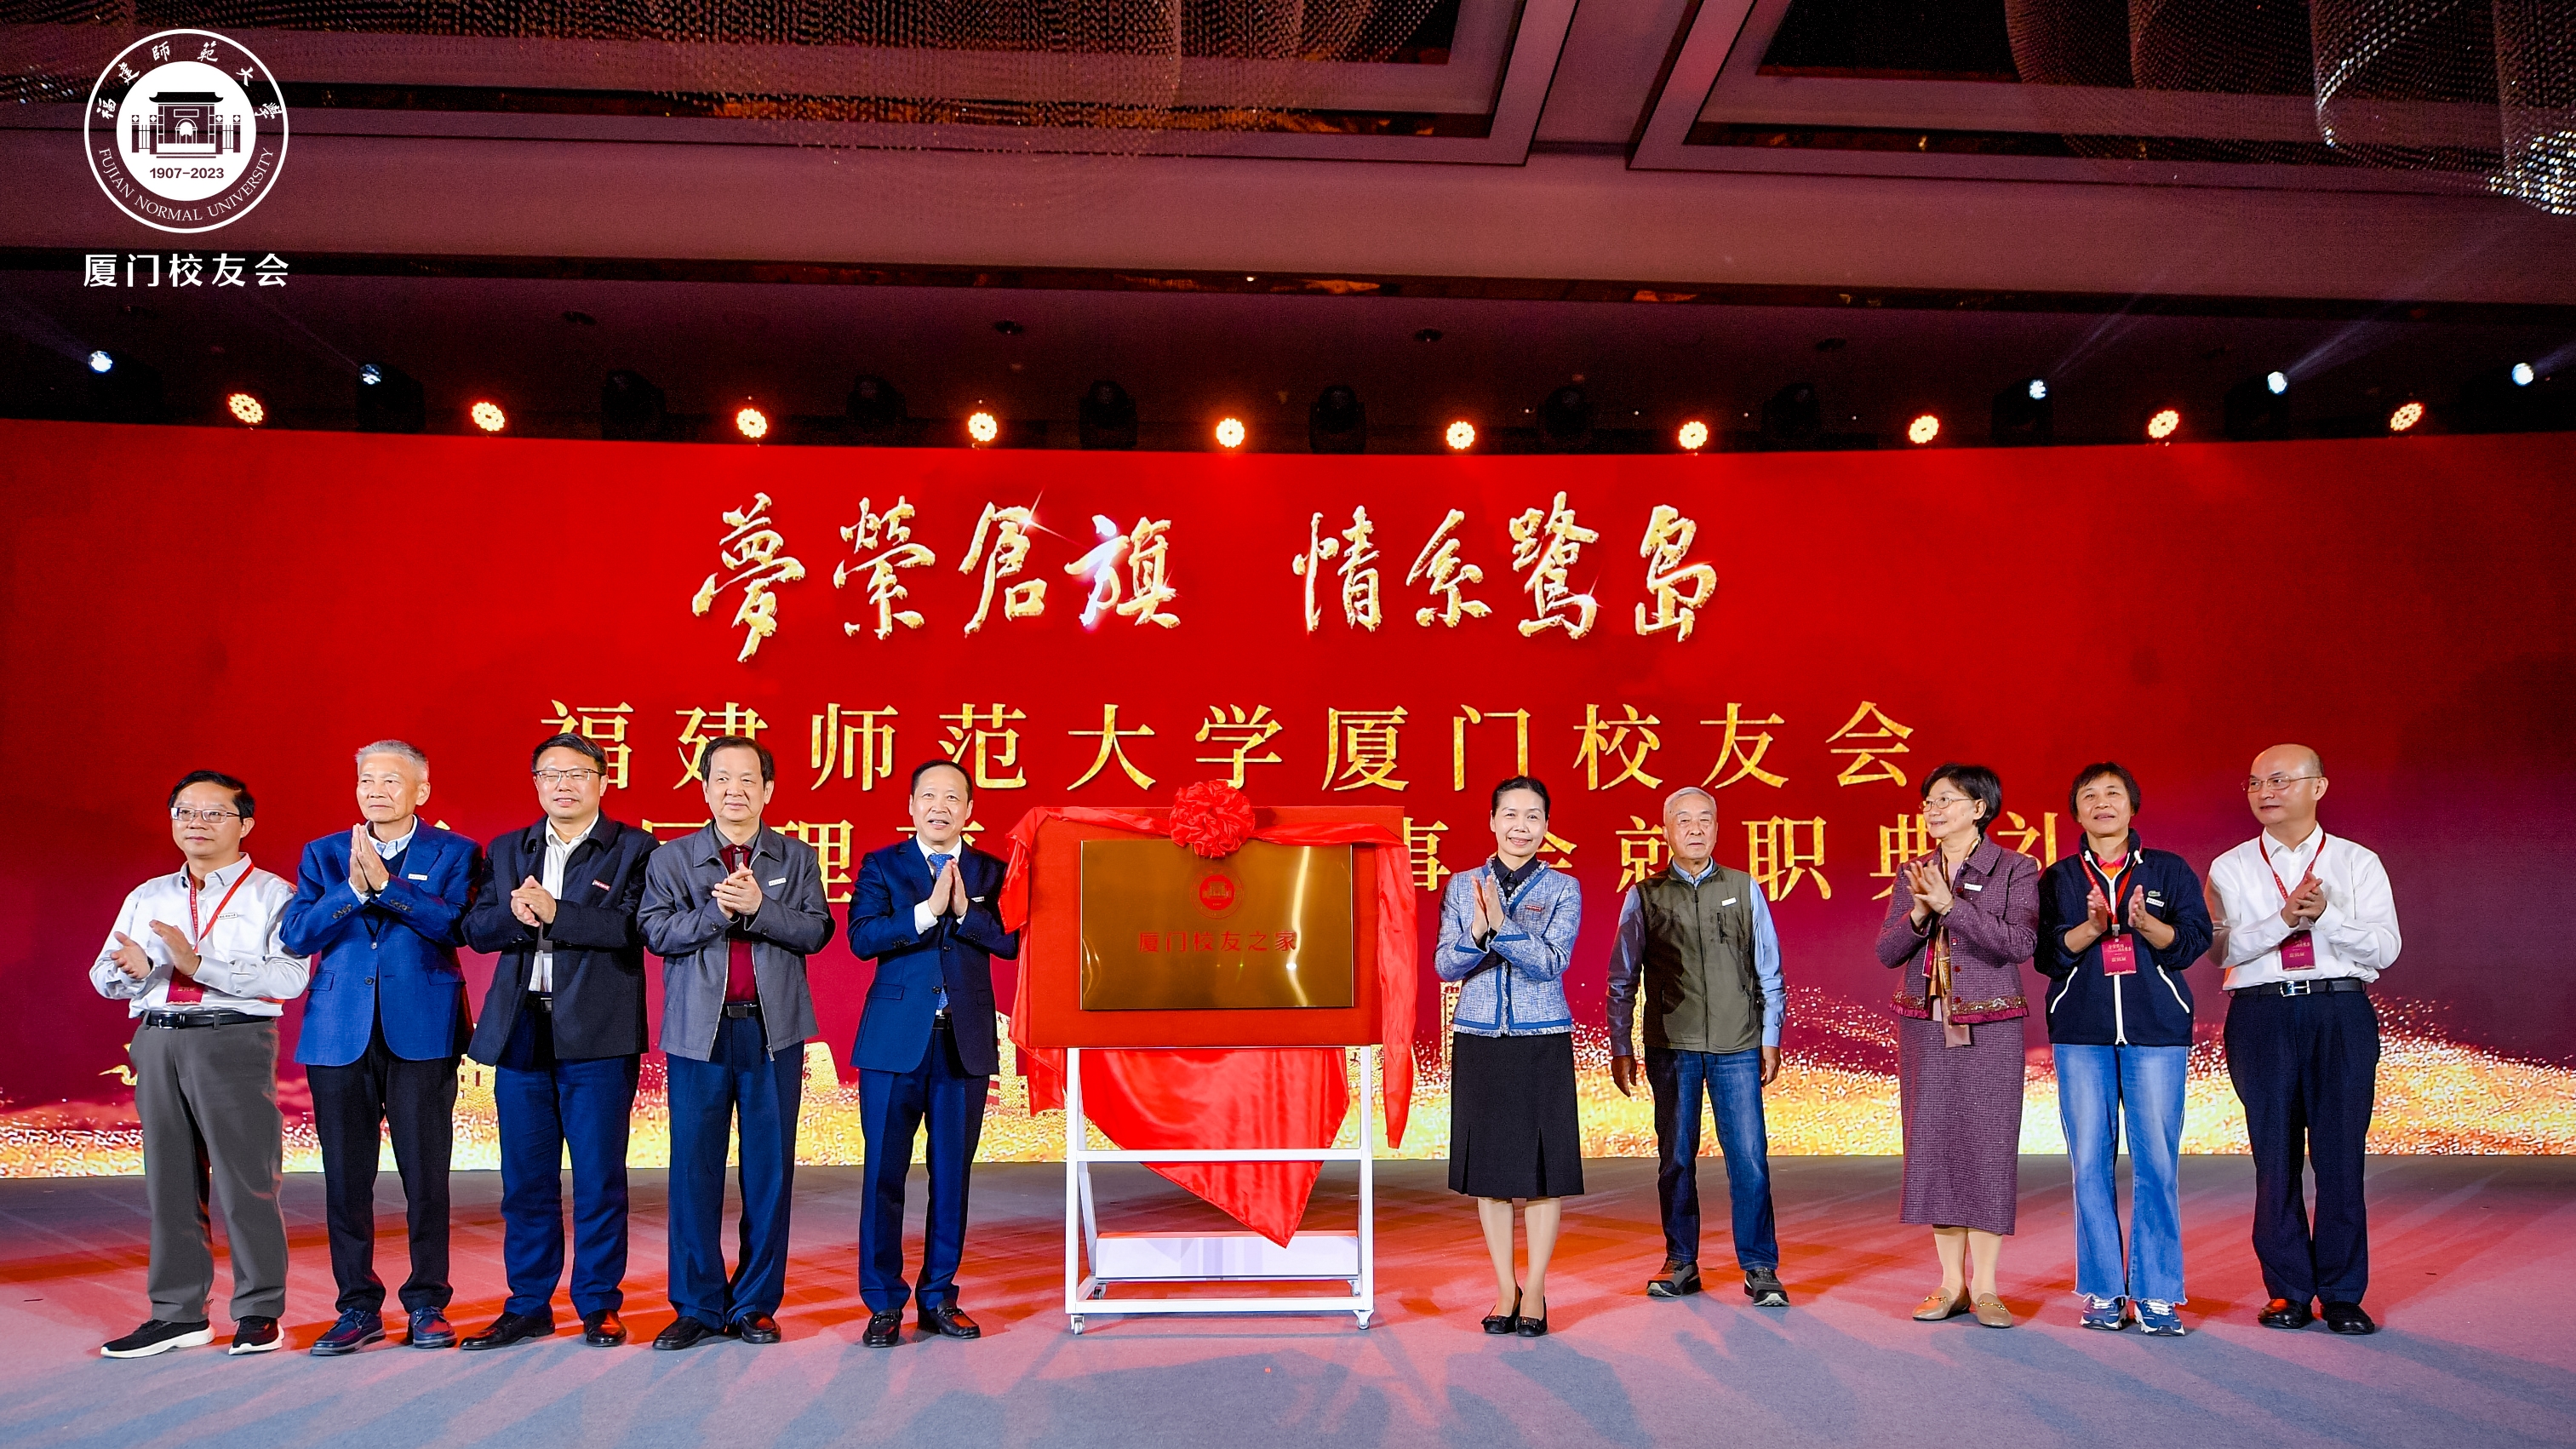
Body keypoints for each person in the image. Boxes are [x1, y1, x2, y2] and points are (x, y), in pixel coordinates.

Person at [92, 771, 309, 1359]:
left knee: (246, 1182)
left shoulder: (274, 895)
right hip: (157, 1038)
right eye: (185, 812)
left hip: (232, 1038)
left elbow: (290, 976)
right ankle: (178, 1314)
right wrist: (134, 973)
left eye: (214, 813)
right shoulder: (147, 896)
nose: (196, 823)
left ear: (246, 824)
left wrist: (199, 964)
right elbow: (104, 975)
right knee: (169, 1182)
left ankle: (260, 1310)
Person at [457, 733, 659, 1351]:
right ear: (536, 784)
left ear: (603, 781)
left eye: (577, 773)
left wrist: (557, 913)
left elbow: (635, 928)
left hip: (598, 1035)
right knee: (525, 1181)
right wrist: (515, 915)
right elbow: (476, 929)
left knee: (599, 1178)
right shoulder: (508, 848)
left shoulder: (635, 848)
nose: (563, 785)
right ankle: (527, 1304)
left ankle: (598, 1303)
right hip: (521, 1029)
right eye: (550, 774)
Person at [281, 741, 479, 1356]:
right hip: (338, 1031)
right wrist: (353, 889)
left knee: (426, 1174)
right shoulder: (323, 853)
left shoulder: (455, 852)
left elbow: (457, 926)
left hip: (422, 1026)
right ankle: (356, 1306)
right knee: (346, 1177)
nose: (376, 791)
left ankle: (427, 1302)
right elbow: (297, 934)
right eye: (367, 780)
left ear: (422, 791)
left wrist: (388, 888)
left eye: (391, 781)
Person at [638, 736, 835, 1350]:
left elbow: (817, 931)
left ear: (768, 790)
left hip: (773, 1033)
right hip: (699, 1033)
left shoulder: (797, 857)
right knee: (693, 1170)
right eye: (722, 778)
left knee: (768, 1171)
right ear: (704, 789)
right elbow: (655, 932)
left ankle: (754, 1303)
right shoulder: (673, 858)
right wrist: (719, 915)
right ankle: (696, 1305)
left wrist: (759, 908)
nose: (735, 790)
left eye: (748, 779)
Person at [2207, 744, 2401, 1336]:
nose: (2264, 791)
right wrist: (2285, 921)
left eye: (2280, 780)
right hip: (2261, 1014)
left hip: (2339, 1010)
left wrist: (2327, 918)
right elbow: (2220, 949)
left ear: (2318, 787)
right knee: (2274, 1157)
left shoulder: (2357, 862)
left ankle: (2342, 1293)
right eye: (2254, 782)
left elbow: (2386, 948)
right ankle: (2287, 1290)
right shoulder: (2230, 866)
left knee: (2341, 1156)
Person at [843, 760, 1022, 1348]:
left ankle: (939, 1296)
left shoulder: (992, 871)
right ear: (911, 806)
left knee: (951, 1176)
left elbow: (1012, 941)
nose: (939, 806)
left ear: (969, 810)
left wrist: (966, 911)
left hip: (962, 1042)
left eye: (952, 797)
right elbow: (862, 937)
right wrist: (927, 912)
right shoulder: (882, 865)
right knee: (883, 1175)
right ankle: (883, 1302)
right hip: (894, 1043)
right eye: (928, 796)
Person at [2035, 763, 2212, 1336]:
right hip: (2081, 1034)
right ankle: (2104, 1288)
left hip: (2156, 1032)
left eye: (2113, 793)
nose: (2102, 803)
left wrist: (2145, 924)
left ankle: (2158, 1292)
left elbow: (2193, 941)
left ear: (2133, 806)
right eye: (2089, 795)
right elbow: (2045, 956)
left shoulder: (2168, 869)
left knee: (2157, 1163)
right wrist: (2092, 928)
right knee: (2089, 1162)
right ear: (2076, 812)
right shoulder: (2059, 878)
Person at [1606, 786, 1789, 1309]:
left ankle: (1760, 1266)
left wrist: (1770, 1036)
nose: (1695, 829)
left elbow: (1769, 970)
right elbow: (1622, 978)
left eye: (1704, 819)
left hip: (1738, 1044)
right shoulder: (1645, 895)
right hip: (1671, 1045)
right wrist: (1621, 1044)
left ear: (1717, 827)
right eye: (1683, 820)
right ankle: (1681, 1261)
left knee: (1749, 1159)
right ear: (1665, 831)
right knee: (1676, 1159)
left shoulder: (1744, 887)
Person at [1875, 762, 2039, 1329]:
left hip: (1991, 1025)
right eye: (1929, 802)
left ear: (1979, 807)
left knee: (1987, 1147)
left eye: (1946, 800)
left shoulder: (2015, 867)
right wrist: (1920, 911)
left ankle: (1987, 1286)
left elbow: (2018, 942)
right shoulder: (1914, 871)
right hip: (1925, 1025)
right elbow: (1887, 951)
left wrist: (1952, 907)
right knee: (1936, 1147)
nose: (1934, 810)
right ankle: (1951, 1284)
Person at [1436, 776, 1583, 1337]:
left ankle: (1537, 1289)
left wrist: (1500, 928)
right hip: (1480, 1039)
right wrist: (1476, 933)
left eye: (1533, 817)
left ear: (1546, 826)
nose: (1522, 827)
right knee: (1491, 1176)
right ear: (1493, 821)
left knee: (1545, 1175)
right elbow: (1446, 966)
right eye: (1511, 815)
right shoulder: (1462, 885)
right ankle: (1505, 1289)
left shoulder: (1563, 888)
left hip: (1542, 1040)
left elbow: (1550, 963)